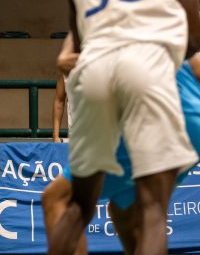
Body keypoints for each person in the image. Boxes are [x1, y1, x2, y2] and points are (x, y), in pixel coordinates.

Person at [48, 0, 200, 255]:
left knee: (79, 207)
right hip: (147, 67)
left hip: (92, 73)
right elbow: (192, 31)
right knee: (152, 210)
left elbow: (80, 42)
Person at [43, 38, 200, 255]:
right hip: (184, 111)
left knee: (60, 198)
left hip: (152, 108)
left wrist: (67, 55)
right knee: (125, 211)